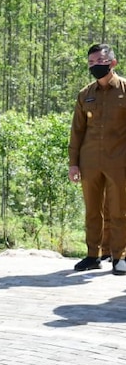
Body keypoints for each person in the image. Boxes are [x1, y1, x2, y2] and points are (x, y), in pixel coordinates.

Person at [69, 43, 126, 274]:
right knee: (92, 210)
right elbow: (77, 131)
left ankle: (119, 256)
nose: (95, 66)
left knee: (119, 210)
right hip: (90, 161)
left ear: (113, 63)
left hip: (119, 161)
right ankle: (93, 255)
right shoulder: (85, 94)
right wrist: (73, 163)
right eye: (91, 62)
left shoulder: (124, 89)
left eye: (100, 62)